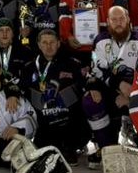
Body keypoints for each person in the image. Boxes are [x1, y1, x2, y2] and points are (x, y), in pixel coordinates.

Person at [82, 6, 138, 168]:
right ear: (108, 22)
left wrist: (132, 96)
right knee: (90, 101)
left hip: (137, 93)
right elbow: (97, 69)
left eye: (121, 19)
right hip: (110, 91)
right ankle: (107, 148)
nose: (118, 23)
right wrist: (114, 87)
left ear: (128, 19)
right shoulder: (100, 41)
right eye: (114, 20)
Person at [19, 29, 88, 164]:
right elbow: (22, 90)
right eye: (45, 43)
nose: (48, 46)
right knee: (42, 150)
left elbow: (83, 86)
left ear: (58, 44)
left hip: (68, 119)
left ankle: (71, 147)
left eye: (52, 42)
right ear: (39, 45)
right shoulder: (29, 67)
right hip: (44, 120)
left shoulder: (72, 63)